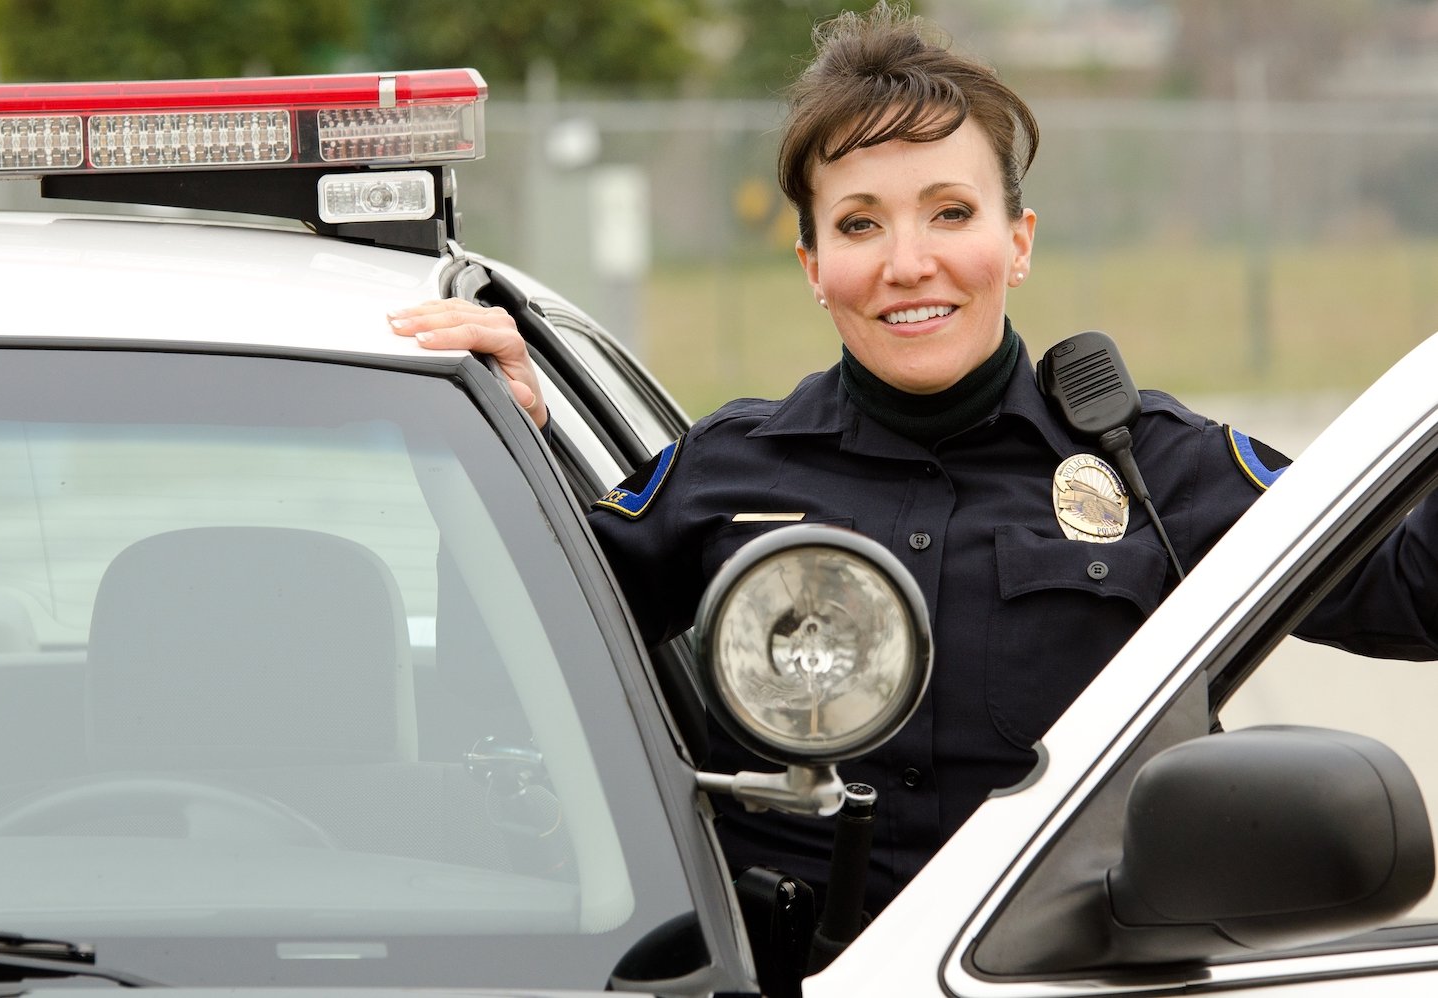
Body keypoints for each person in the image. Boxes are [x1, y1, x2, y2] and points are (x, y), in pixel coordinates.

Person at [387, 3, 1438, 916]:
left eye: (950, 212)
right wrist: (499, 458)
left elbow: (1416, 593)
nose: (908, 263)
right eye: (859, 223)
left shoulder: (1162, 470)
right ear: (813, 263)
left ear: (1018, 239)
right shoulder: (721, 473)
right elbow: (500, 673)